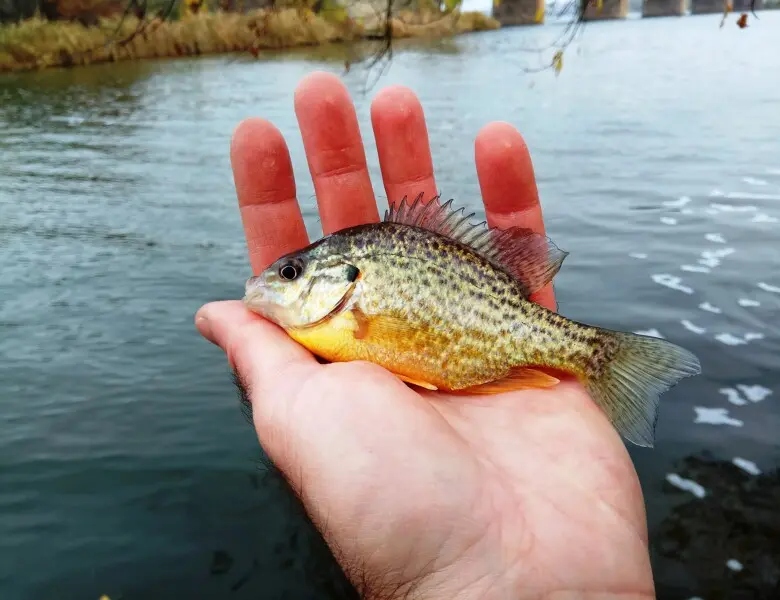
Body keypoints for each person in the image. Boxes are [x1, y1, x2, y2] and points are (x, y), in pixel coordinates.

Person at [195, 71, 656, 600]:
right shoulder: (335, 319)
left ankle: (599, 358)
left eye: (292, 274)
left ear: (345, 280)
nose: (267, 284)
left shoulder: (350, 316)